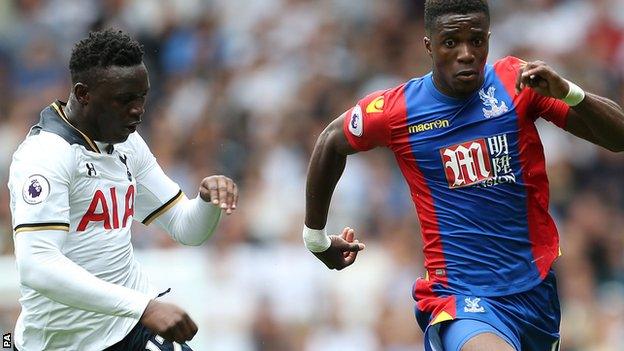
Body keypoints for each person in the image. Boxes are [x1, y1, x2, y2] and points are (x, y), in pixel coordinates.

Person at [303, 1, 624, 350]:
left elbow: (618, 138)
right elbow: (331, 141)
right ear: (429, 45)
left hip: (535, 292)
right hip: (459, 296)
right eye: (451, 42)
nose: (466, 53)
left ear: (488, 38)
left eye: (476, 41)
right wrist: (315, 238)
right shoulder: (399, 110)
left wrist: (568, 93)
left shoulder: (517, 82)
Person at [8, 29, 238, 351]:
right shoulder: (45, 155)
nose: (138, 110)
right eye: (124, 100)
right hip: (58, 342)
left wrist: (206, 202)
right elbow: (37, 266)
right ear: (83, 93)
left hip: (128, 329)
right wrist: (144, 306)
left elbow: (186, 228)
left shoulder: (128, 144)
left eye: (141, 97)